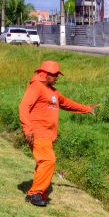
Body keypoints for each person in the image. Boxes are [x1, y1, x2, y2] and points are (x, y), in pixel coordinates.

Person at [19, 61, 99, 207]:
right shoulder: (36, 87)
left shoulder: (53, 92)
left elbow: (66, 103)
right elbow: (24, 106)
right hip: (38, 133)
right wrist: (27, 129)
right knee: (48, 161)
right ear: (45, 74)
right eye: (55, 75)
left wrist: (86, 108)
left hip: (48, 136)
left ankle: (38, 193)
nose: (57, 78)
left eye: (57, 75)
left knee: (43, 163)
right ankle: (34, 194)